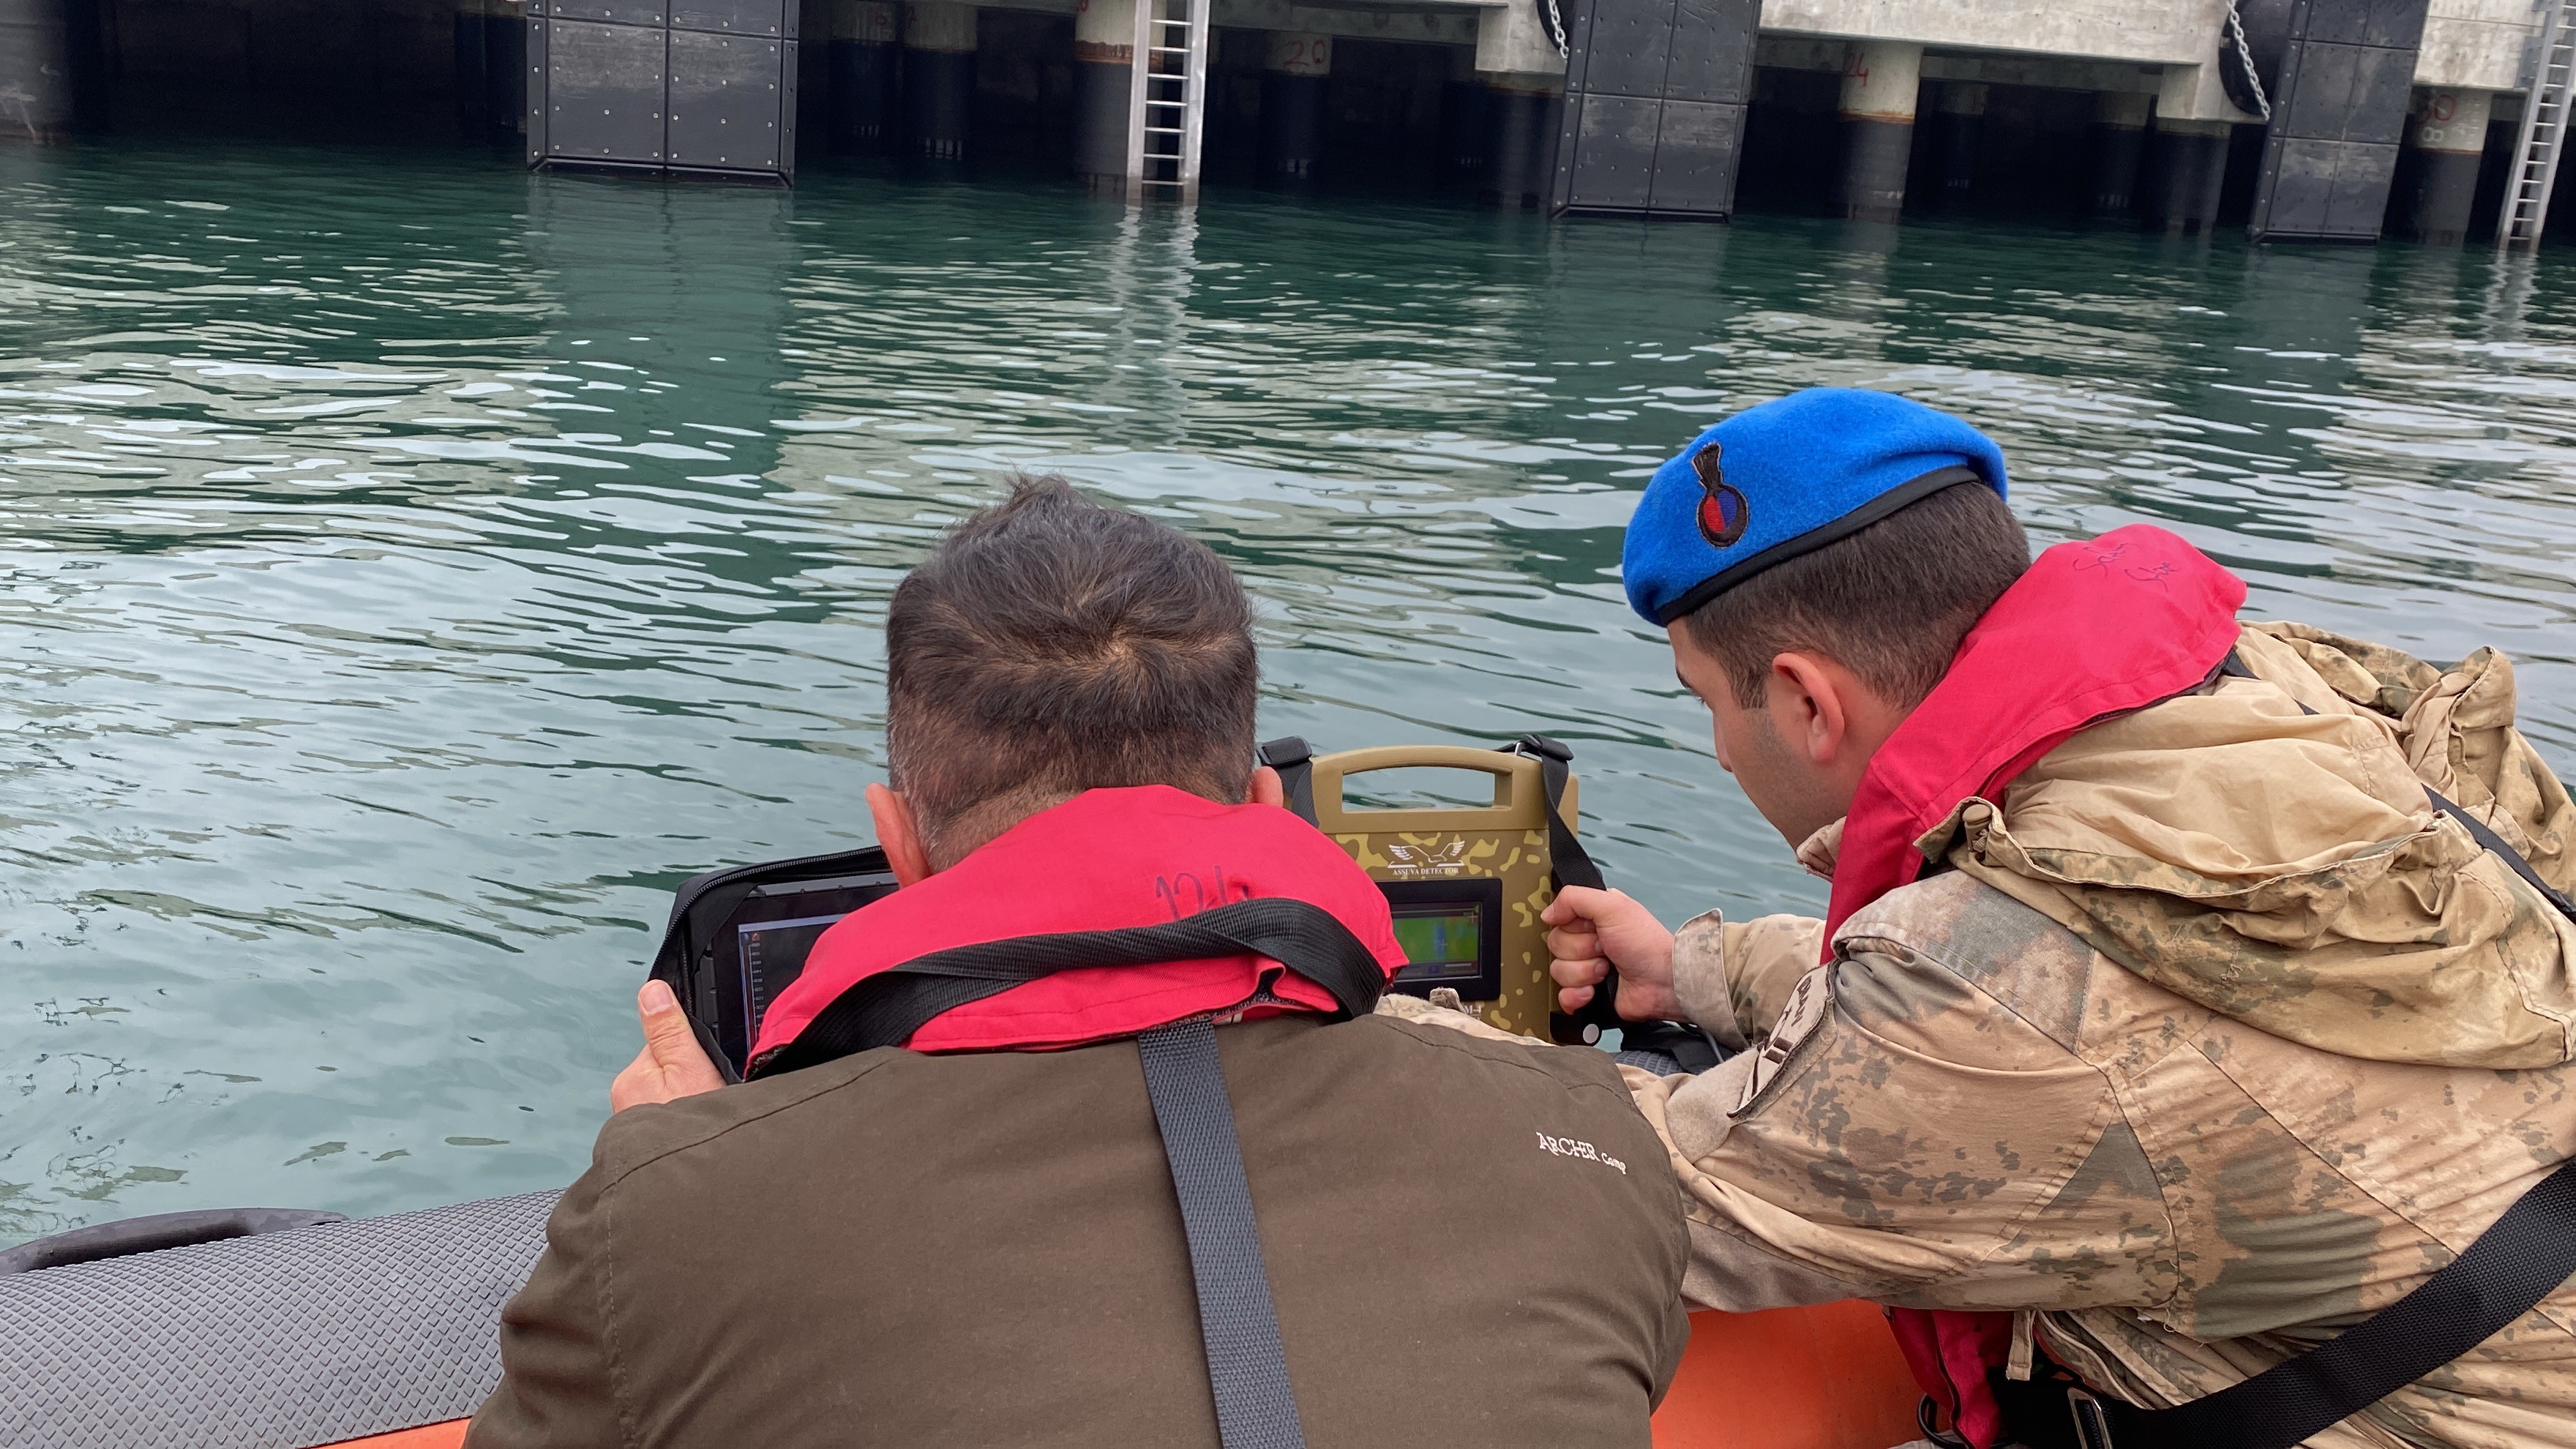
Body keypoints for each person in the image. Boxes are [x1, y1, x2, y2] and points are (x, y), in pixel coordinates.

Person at [465, 476, 1689, 1449]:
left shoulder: (669, 1217)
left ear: (899, 840)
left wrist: (684, 1165)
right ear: (1268, 808)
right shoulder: (1598, 1144)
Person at [1545, 388, 2576, 1449]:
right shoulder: (2278, 700)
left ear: (1809, 702)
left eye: (1708, 698)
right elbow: (2092, 996)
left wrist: (1395, 1050)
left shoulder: (1996, 998)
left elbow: (1632, 1197)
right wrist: (1692, 968)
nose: (1718, 745)